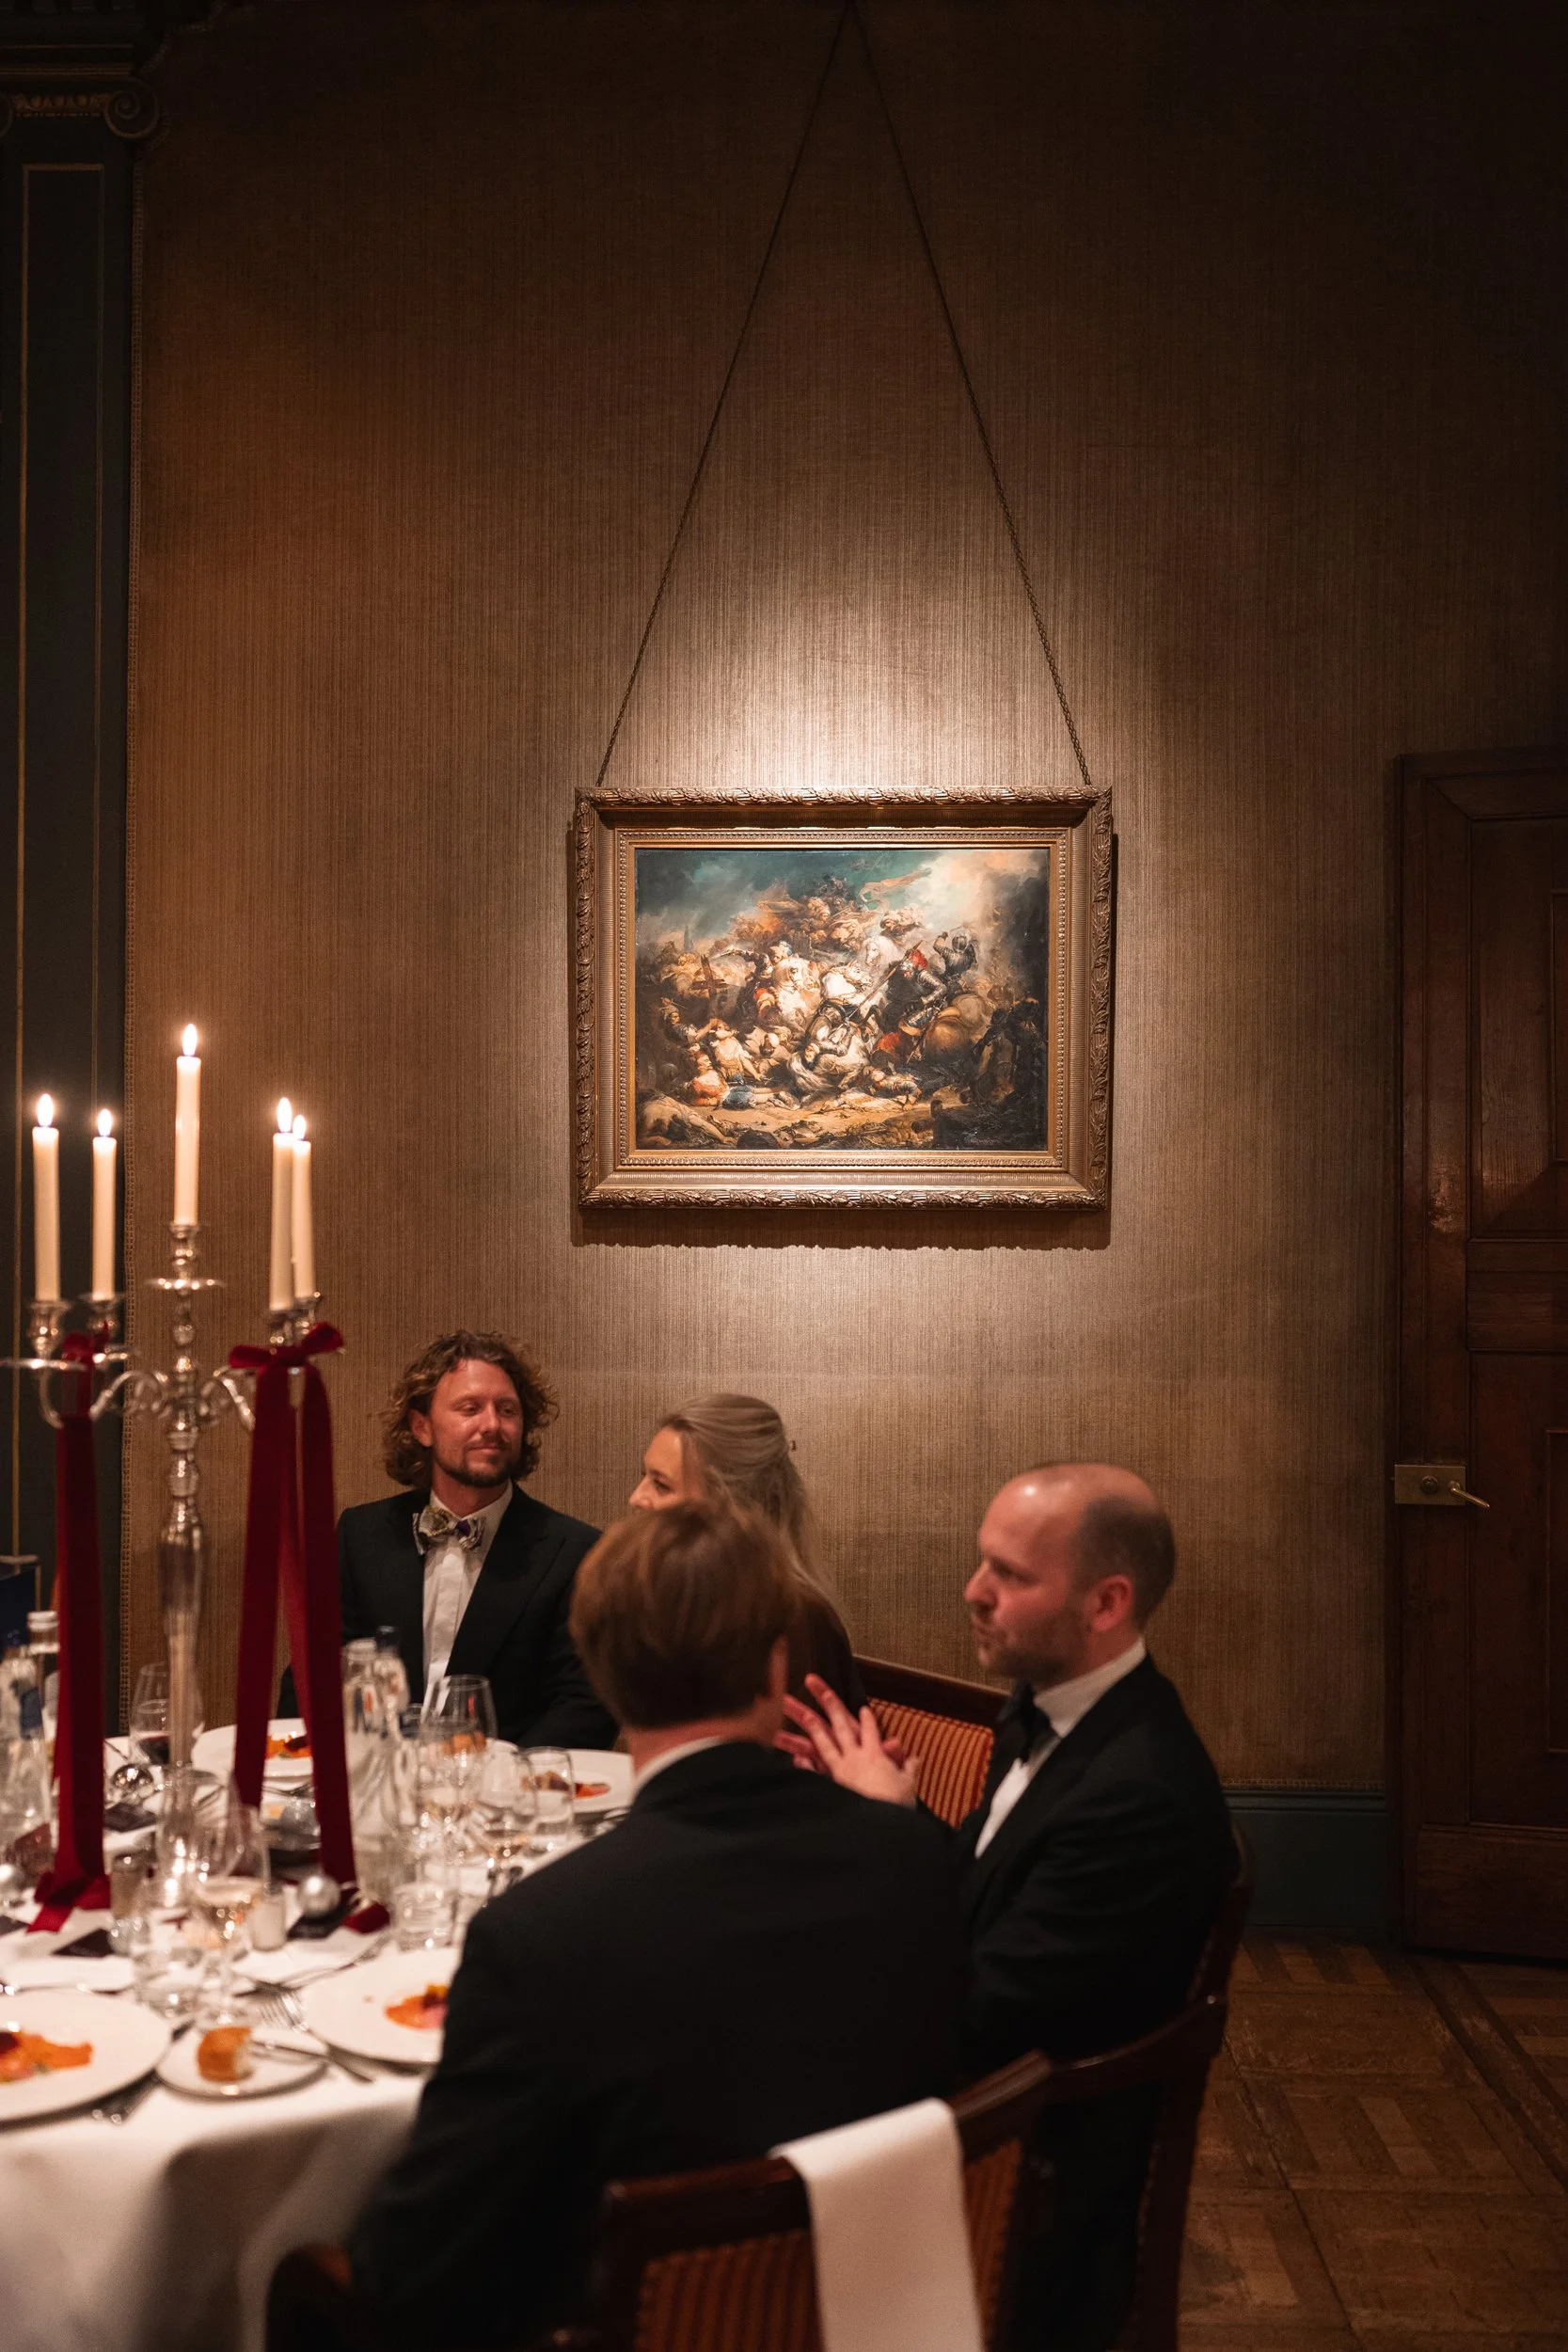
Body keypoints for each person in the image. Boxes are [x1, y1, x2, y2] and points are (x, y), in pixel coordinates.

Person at [351, 1502, 963, 2350]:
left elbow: (412, 2274)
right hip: (880, 2312)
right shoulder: (917, 1859)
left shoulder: (539, 1938)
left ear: (599, 1675)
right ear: (774, 1664)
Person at [781, 1462, 1236, 2352]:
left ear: (1106, 1604)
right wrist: (903, 1817)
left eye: (1011, 1576)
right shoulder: (1057, 1709)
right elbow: (985, 1894)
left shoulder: (1137, 1796)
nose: (973, 1593)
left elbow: (981, 2017)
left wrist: (881, 1848)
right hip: (984, 2084)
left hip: (1023, 2167)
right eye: (981, 1563)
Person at [331, 1330, 614, 1750]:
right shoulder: (361, 1534)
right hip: (376, 1789)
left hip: (506, 1802)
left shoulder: (576, 1552)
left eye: (507, 1410)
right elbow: (314, 1676)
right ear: (422, 1427)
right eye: (470, 1408)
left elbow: (586, 1709)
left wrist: (500, 1784)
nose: (492, 1425)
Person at [628, 1393, 866, 1711]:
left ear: (728, 1503)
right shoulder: (681, 1598)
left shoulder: (794, 1617)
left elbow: (784, 1756)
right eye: (644, 1477)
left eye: (661, 1485)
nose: (636, 1498)